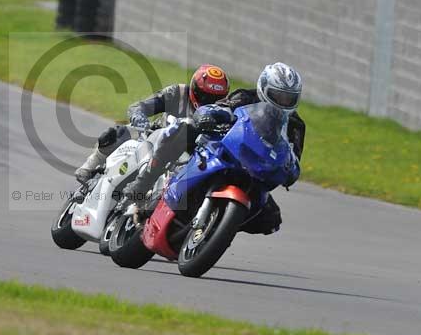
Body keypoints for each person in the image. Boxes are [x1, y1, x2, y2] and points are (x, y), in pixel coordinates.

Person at [124, 63, 305, 237]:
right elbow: (221, 106)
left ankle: (219, 227)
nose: (283, 101)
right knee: (184, 130)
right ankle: (144, 184)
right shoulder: (245, 97)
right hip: (229, 150)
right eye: (278, 95)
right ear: (264, 88)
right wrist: (208, 115)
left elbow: (294, 158)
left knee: (272, 220)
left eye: (289, 98)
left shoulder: (296, 125)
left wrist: (291, 172)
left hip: (258, 171)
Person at [74, 65, 231, 183]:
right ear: (195, 89)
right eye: (204, 96)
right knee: (116, 134)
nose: (207, 102)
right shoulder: (178, 93)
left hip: (186, 158)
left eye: (214, 99)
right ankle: (88, 167)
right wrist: (139, 117)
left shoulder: (224, 112)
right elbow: (140, 106)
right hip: (152, 137)